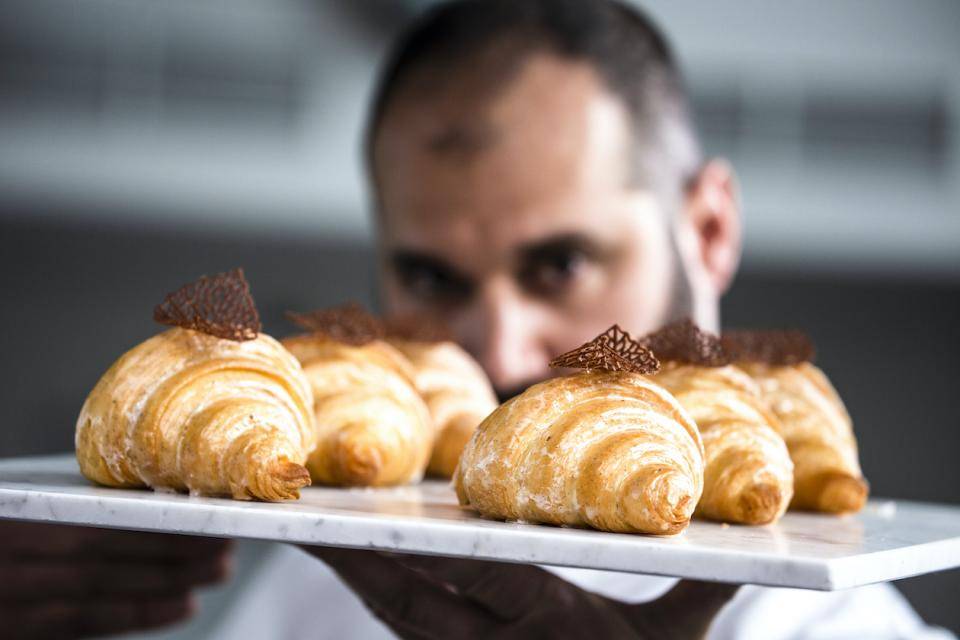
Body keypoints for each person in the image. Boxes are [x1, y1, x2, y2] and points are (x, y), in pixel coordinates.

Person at [0, 1, 951, 638]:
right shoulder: (322, 582)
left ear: (706, 232)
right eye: (430, 276)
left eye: (563, 264)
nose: (498, 350)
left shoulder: (835, 624)